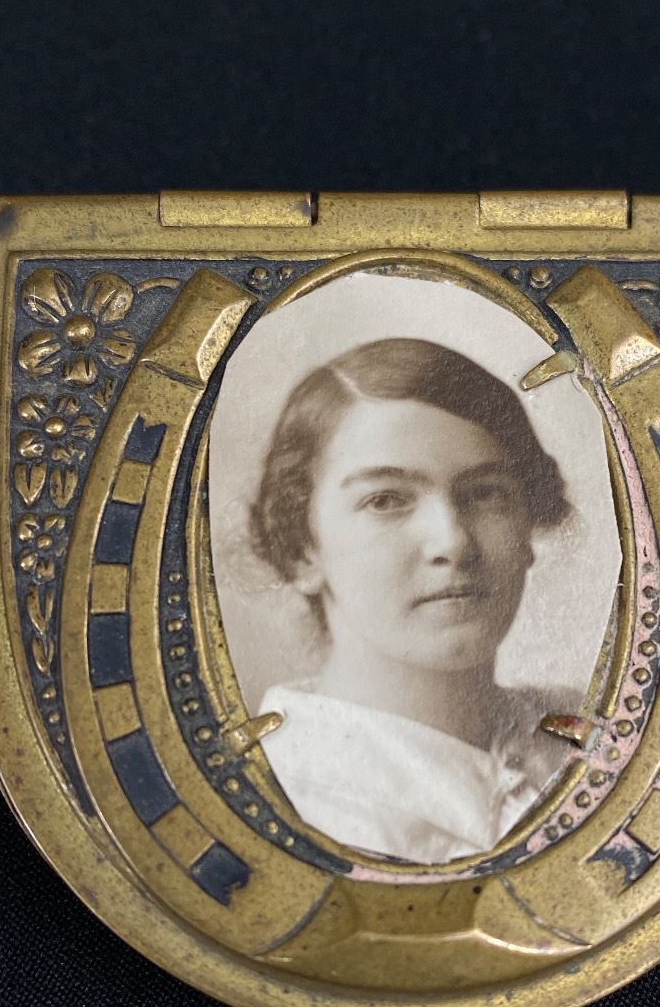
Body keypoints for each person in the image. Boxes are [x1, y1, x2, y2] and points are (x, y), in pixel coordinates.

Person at [246, 337, 577, 864]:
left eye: (485, 493)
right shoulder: (282, 795)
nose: (453, 542)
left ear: (528, 524)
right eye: (385, 500)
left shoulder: (593, 734)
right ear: (302, 548)